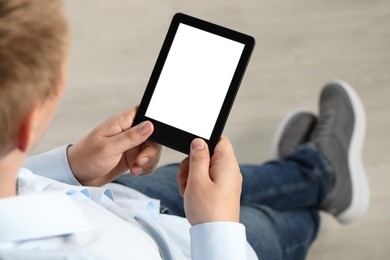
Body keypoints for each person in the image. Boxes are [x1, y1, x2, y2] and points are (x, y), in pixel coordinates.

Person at [0, 1, 369, 259]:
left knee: (236, 180)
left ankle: (316, 169)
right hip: (194, 249)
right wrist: (217, 230)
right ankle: (320, 189)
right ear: (29, 122)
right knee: (275, 224)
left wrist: (70, 169)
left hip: (111, 201)